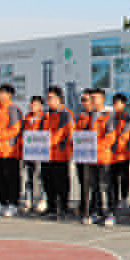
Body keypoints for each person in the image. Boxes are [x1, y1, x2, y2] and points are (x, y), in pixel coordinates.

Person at [0, 84, 24, 217]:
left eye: (2, 93)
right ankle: (1, 203)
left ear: (9, 95)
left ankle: (13, 204)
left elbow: (15, 129)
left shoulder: (13, 110)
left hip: (10, 150)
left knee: (11, 178)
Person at [87, 88, 118, 226]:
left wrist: (95, 147)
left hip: (104, 156)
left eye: (96, 98)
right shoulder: (90, 114)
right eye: (92, 98)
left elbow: (110, 137)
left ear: (103, 99)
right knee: (94, 186)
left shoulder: (109, 115)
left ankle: (111, 213)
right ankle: (97, 212)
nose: (93, 100)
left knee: (107, 186)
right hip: (91, 157)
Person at [42, 86, 74, 219]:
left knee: (61, 183)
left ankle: (63, 208)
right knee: (47, 182)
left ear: (59, 99)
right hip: (46, 155)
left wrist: (43, 143)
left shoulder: (66, 114)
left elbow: (61, 134)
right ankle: (51, 207)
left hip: (60, 154)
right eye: (47, 98)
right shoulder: (46, 115)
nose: (48, 100)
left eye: (51, 98)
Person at [23, 96, 48, 213]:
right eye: (32, 104)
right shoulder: (26, 118)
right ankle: (28, 199)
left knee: (40, 176)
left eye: (36, 104)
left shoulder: (45, 118)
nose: (33, 106)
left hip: (40, 151)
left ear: (41, 106)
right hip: (28, 151)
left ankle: (43, 199)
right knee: (28, 177)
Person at [111, 94, 130, 211]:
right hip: (111, 156)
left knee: (124, 178)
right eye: (114, 103)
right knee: (113, 179)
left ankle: (124, 199)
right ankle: (115, 200)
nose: (116, 105)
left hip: (123, 154)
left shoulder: (128, 119)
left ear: (124, 104)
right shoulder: (110, 118)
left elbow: (125, 137)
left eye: (118, 103)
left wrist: (111, 146)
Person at [74, 90, 94, 221]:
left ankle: (93, 208)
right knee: (82, 181)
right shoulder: (80, 117)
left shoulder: (98, 116)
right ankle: (83, 205)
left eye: (86, 100)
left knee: (94, 183)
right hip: (81, 153)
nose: (84, 103)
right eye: (83, 100)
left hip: (94, 155)